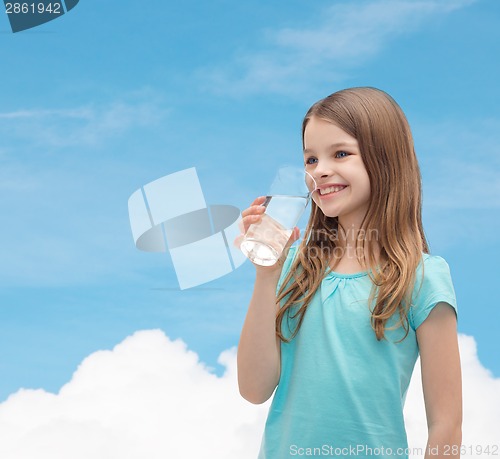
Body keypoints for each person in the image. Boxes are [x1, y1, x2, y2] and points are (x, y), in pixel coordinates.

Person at [236, 87, 462, 459]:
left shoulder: (423, 278)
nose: (320, 170)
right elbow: (254, 388)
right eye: (310, 159)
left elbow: (446, 424)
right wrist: (266, 274)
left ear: (385, 159)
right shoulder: (292, 268)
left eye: (340, 153)